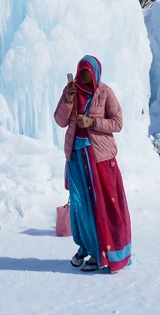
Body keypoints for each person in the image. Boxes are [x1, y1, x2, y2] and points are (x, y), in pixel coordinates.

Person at [54, 55, 132, 274]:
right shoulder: (71, 90)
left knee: (101, 205)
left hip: (99, 158)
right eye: (81, 71)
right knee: (80, 205)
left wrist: (92, 122)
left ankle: (102, 253)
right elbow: (60, 121)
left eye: (87, 72)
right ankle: (85, 247)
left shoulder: (106, 93)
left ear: (96, 72)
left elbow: (117, 123)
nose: (83, 76)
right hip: (76, 156)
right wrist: (67, 100)